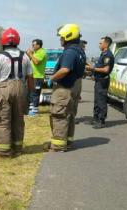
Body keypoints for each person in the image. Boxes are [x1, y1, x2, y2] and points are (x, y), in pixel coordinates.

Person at [0, 28, 34, 157]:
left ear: (3, 41)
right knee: (18, 119)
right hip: (21, 88)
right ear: (17, 41)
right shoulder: (26, 56)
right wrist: (30, 94)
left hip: (4, 88)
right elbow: (30, 78)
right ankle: (17, 148)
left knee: (2, 120)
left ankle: (4, 151)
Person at [49, 24, 86, 152]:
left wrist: (52, 78)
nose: (60, 40)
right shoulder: (80, 51)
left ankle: (58, 146)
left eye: (61, 37)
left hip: (65, 88)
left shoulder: (70, 52)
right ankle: (68, 141)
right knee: (69, 115)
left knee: (59, 116)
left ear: (67, 37)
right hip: (75, 86)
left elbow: (65, 69)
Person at [85, 36, 114, 129]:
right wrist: (91, 69)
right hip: (98, 80)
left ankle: (101, 120)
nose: (99, 45)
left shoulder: (108, 55)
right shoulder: (103, 54)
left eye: (100, 43)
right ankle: (95, 118)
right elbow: (99, 67)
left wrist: (92, 68)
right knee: (97, 100)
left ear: (106, 44)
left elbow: (106, 69)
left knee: (101, 101)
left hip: (103, 81)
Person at [26, 39, 48, 116]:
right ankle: (31, 108)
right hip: (32, 76)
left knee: (35, 93)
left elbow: (36, 62)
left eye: (33, 45)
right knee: (31, 93)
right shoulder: (35, 52)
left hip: (38, 77)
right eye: (32, 45)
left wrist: (30, 54)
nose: (32, 46)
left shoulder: (42, 52)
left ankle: (34, 110)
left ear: (38, 45)